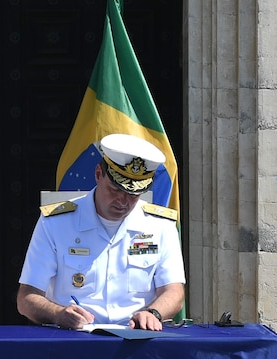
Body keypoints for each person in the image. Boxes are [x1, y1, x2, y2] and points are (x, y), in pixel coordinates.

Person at [17, 133, 185, 331]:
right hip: (74, 339)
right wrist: (58, 314)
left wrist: (153, 313)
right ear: (98, 174)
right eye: (115, 190)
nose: (123, 201)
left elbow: (174, 292)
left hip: (137, 339)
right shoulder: (55, 223)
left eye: (133, 194)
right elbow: (26, 298)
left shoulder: (160, 226)